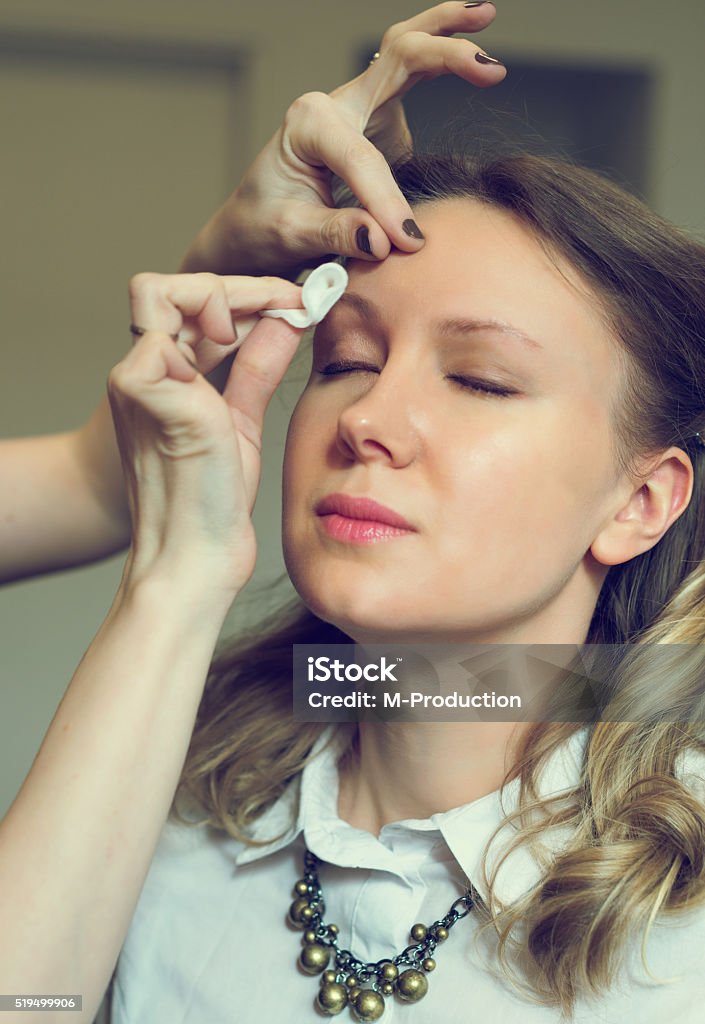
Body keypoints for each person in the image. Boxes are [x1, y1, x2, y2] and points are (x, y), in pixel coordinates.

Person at [3, 4, 705, 1024]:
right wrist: (176, 572)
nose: (369, 418)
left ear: (640, 502)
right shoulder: (163, 815)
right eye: (346, 362)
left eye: (481, 379)